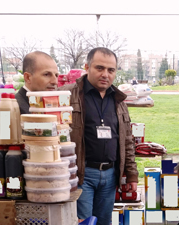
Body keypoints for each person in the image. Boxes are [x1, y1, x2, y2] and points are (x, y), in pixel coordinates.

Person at [59, 47, 138, 225]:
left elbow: (127, 141)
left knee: (104, 222)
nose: (105, 74)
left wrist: (131, 174)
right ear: (87, 67)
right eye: (99, 68)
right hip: (82, 175)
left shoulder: (118, 100)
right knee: (84, 222)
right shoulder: (68, 95)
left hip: (110, 176)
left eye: (111, 70)